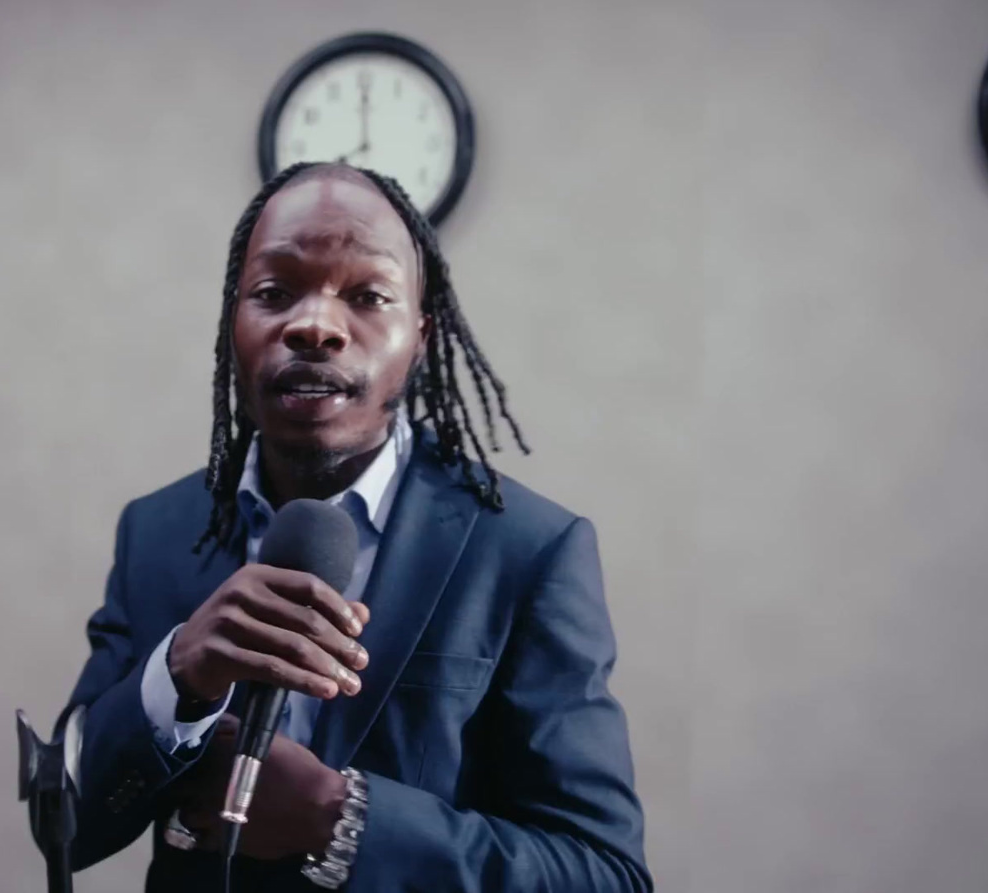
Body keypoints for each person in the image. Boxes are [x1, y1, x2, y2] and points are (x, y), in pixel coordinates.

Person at [53, 162, 651, 892]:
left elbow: (604, 874)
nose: (314, 325)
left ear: (421, 336)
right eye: (273, 293)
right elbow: (65, 824)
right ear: (232, 323)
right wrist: (175, 677)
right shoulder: (157, 529)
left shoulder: (528, 550)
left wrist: (338, 818)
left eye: (367, 295)